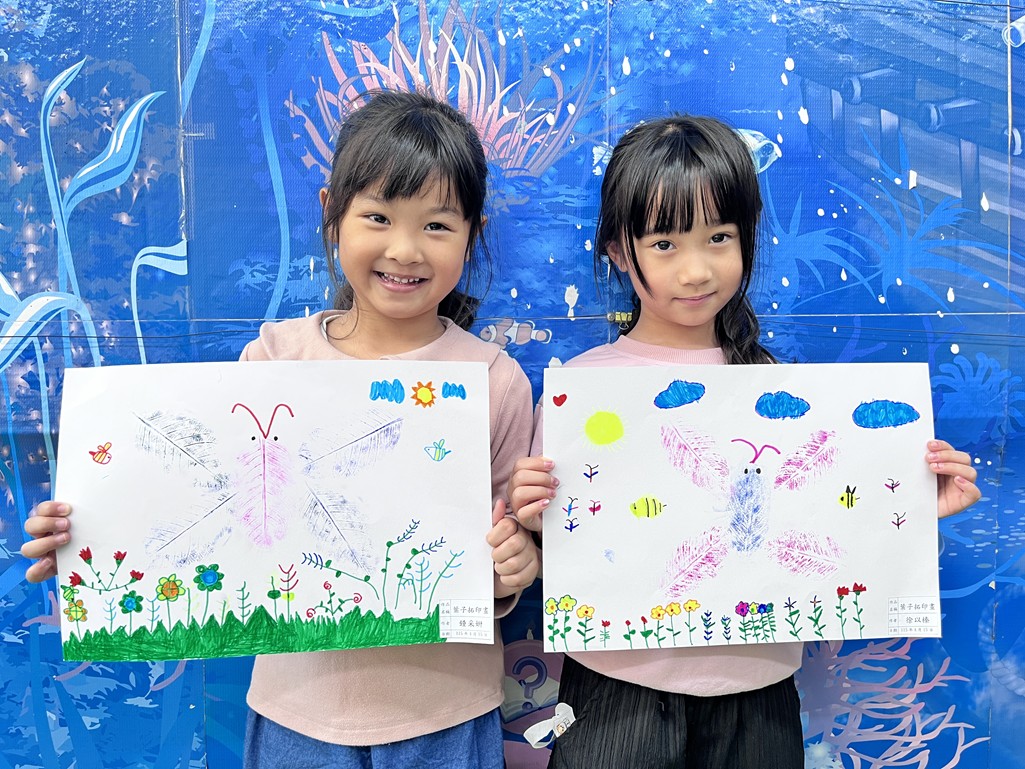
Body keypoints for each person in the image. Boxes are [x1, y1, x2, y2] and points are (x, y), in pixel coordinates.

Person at [22, 90, 540, 769]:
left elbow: (506, 553)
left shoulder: (495, 380)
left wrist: (512, 567)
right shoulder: (272, 360)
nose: (405, 249)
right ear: (331, 213)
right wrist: (85, 533)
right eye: (378, 217)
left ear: (472, 232)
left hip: (447, 714)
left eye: (437, 225)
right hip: (298, 714)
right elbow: (198, 500)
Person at [507, 115, 982, 769]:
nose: (696, 269)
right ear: (619, 250)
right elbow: (558, 548)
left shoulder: (783, 395)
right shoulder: (580, 390)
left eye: (719, 237)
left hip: (758, 694)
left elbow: (831, 527)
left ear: (747, 236)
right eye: (664, 243)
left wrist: (916, 506)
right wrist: (537, 520)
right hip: (615, 691)